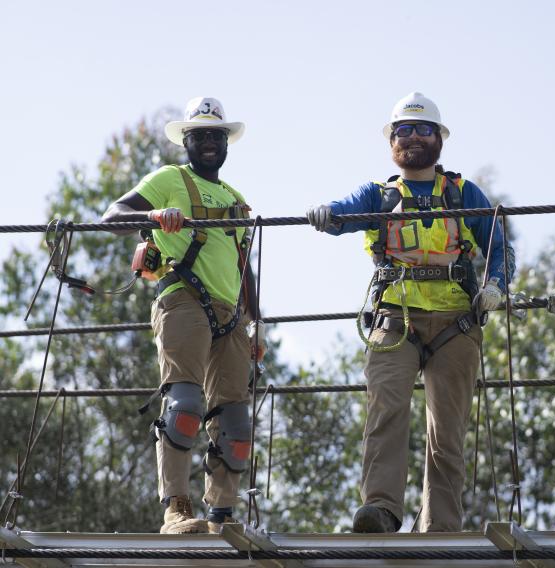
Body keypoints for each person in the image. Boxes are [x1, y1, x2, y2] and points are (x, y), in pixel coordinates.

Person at [306, 92, 514, 533]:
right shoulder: (379, 196)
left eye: (423, 129)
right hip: (395, 318)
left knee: (448, 432)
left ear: (439, 139)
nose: (413, 137)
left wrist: (495, 283)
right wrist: (327, 215)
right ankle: (381, 510)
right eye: (404, 130)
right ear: (392, 143)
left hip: (455, 323)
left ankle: (440, 526)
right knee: (386, 407)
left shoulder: (462, 193)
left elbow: (499, 242)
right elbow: (343, 213)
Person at [101, 97, 266, 534]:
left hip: (231, 316)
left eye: (216, 135)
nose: (209, 143)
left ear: (226, 143)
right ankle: (176, 509)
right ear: (186, 142)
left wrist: (257, 322)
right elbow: (112, 216)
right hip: (183, 300)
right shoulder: (170, 179)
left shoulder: (236, 199)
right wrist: (155, 215)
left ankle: (221, 516)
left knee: (236, 423)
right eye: (200, 136)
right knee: (186, 404)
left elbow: (242, 264)